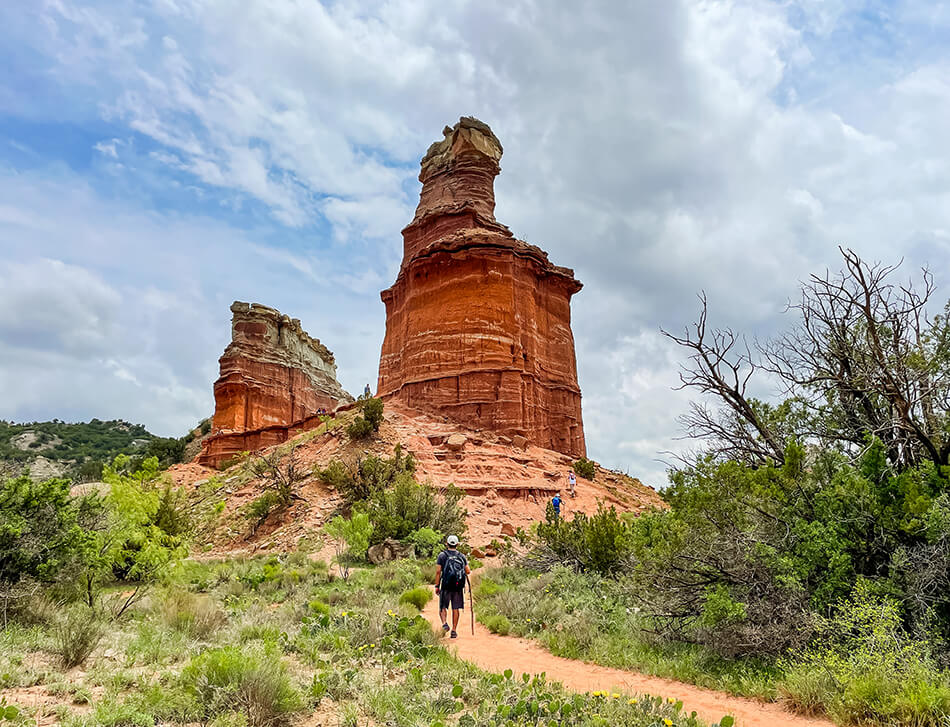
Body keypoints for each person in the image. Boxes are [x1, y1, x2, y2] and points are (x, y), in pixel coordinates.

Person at [435, 534, 470, 639]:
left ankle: (445, 623)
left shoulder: (442, 555)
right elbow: (467, 571)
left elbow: (438, 572)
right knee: (455, 608)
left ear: (447, 544)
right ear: (457, 544)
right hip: (458, 587)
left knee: (443, 606)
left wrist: (437, 586)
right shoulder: (461, 556)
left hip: (446, 586)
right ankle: (454, 630)